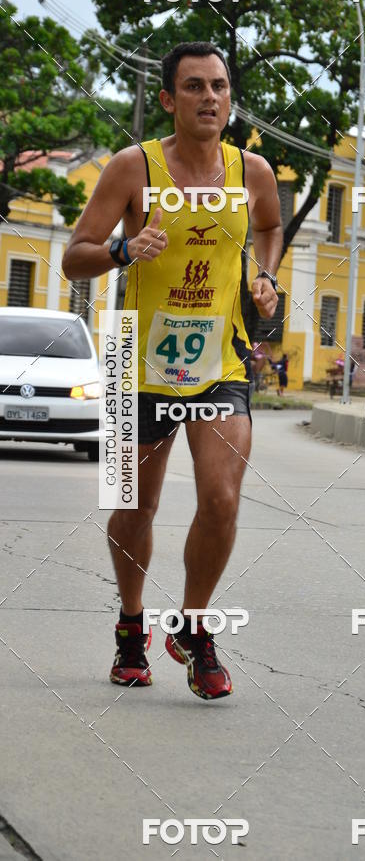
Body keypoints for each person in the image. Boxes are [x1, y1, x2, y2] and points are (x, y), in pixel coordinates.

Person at [63, 42, 282, 700]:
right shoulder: (134, 168)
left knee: (221, 498)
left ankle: (192, 629)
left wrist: (263, 275)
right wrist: (125, 249)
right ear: (168, 99)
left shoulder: (253, 171)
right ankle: (132, 628)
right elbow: (75, 257)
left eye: (218, 86)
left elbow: (269, 227)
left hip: (221, 361)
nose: (210, 97)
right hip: (140, 364)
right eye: (194, 87)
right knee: (135, 503)